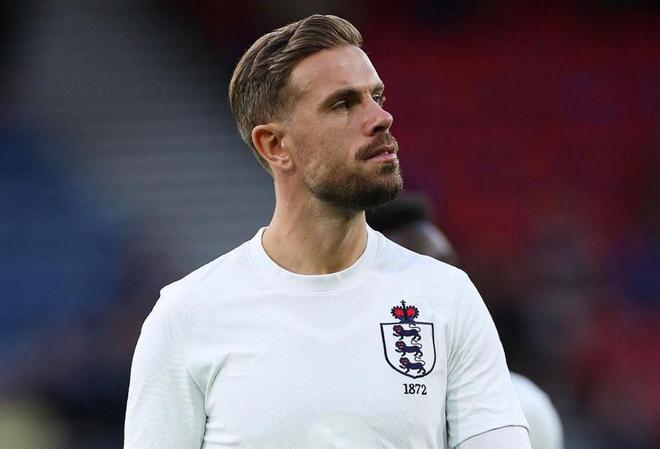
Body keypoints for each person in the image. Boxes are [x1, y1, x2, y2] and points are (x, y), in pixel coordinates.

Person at [124, 15, 530, 449]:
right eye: (343, 104)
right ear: (275, 146)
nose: (381, 117)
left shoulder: (447, 296)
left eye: (376, 96)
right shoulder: (187, 316)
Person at [367, 194, 564, 449]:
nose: (445, 287)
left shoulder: (523, 410)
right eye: (416, 275)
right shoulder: (337, 408)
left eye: (447, 268)